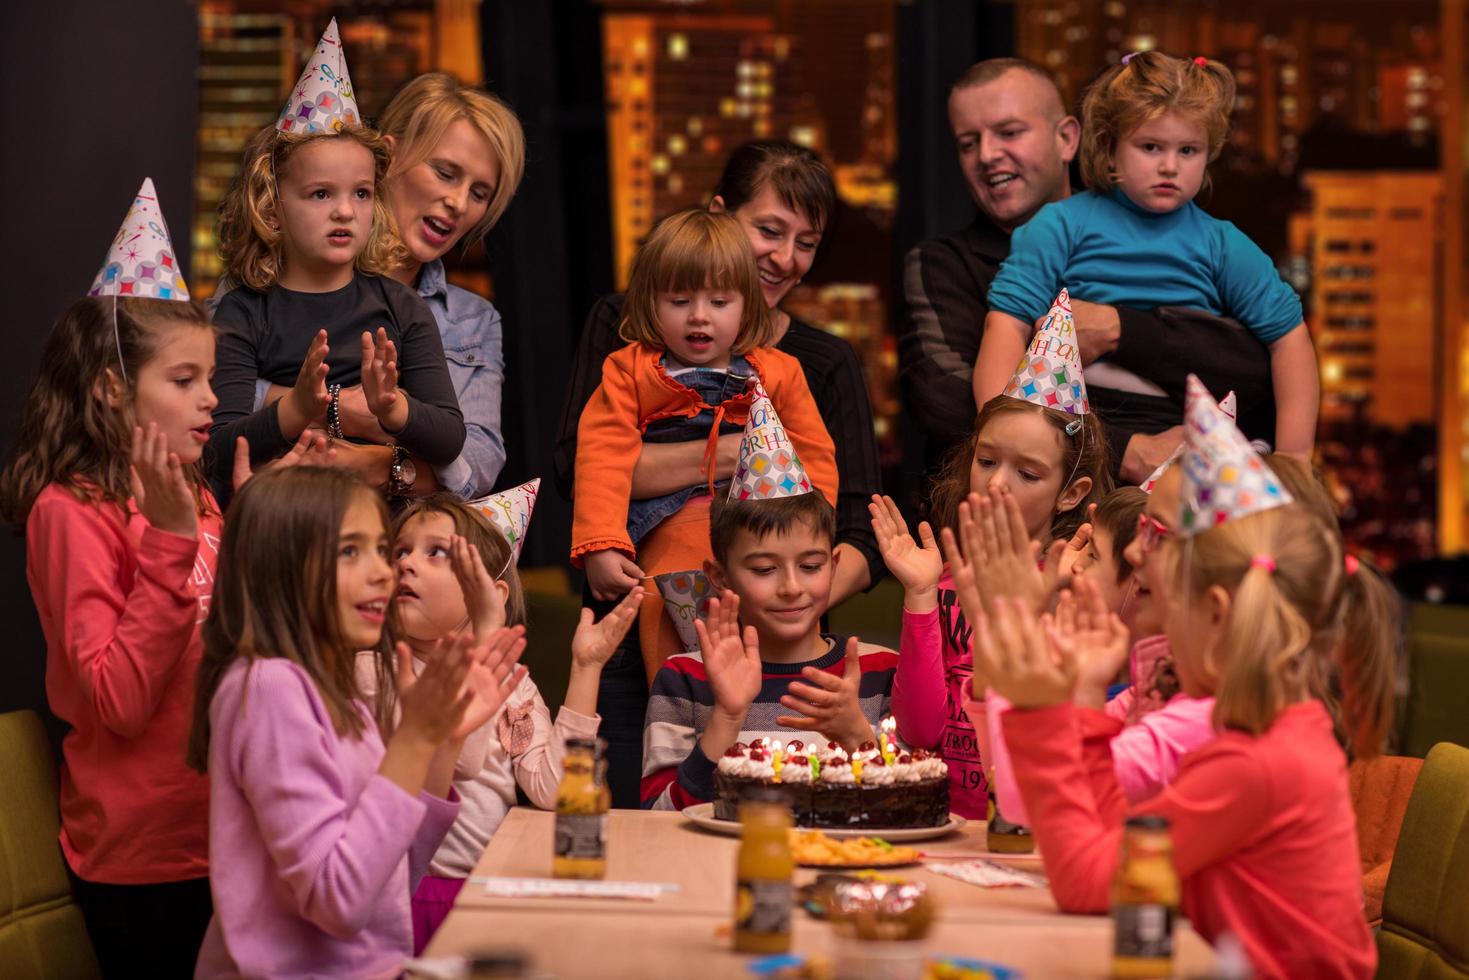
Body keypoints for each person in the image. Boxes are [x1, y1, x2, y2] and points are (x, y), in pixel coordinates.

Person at [965, 379, 1381, 979]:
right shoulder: (1255, 726)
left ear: (1213, 608)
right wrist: (1081, 706)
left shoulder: (1257, 759)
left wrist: (1039, 708)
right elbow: (1116, 839)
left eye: (1156, 538)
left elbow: (1086, 880)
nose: (1135, 555)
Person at [556, 143, 881, 808]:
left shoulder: (788, 367)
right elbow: (593, 457)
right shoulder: (632, 352)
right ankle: (672, 715)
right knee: (660, 626)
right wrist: (600, 545)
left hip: (770, 591)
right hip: (656, 554)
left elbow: (831, 488)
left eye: (805, 242)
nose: (784, 257)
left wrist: (792, 552)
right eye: (768, 230)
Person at [0, 181, 222, 976]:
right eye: (185, 379)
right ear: (112, 387)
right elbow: (119, 703)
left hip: (229, 831)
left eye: (210, 378)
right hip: (145, 859)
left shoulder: (196, 494)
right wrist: (167, 542)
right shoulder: (71, 513)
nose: (211, 399)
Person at [187, 466, 526, 978]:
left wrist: (441, 740)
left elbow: (391, 875)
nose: (384, 573)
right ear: (282, 567)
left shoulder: (335, 685)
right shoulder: (269, 686)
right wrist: (412, 741)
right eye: (351, 551)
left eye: (379, 550)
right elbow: (338, 902)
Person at [899, 57, 1275, 481]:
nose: (986, 155)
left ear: (1068, 139)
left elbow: (1254, 371)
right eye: (968, 143)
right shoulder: (942, 264)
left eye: (1009, 132)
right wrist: (1122, 449)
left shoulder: (1168, 234)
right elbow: (948, 404)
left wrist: (1120, 329)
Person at [973, 51, 1317, 459]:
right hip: (1078, 420)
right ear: (1110, 147)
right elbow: (1007, 326)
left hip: (1186, 431)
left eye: (1188, 150)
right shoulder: (1060, 226)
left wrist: (1294, 461)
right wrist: (998, 441)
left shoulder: (1222, 243)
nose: (1170, 166)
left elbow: (1291, 339)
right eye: (1151, 147)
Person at [209, 23, 465, 503]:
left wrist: (392, 408)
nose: (346, 210)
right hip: (281, 522)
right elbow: (216, 453)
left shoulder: (402, 308)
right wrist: (299, 407)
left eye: (362, 193)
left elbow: (450, 437)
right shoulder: (242, 313)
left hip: (379, 527)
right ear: (271, 209)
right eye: (321, 193)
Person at [878, 295, 1110, 820]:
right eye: (986, 460)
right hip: (947, 824)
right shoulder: (943, 579)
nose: (997, 483)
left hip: (1035, 824)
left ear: (1070, 493)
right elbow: (919, 732)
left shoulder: (1075, 584)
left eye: (1028, 474)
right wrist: (918, 596)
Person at [384, 494, 642, 952]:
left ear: (492, 595)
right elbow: (457, 763)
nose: (406, 565)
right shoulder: (380, 672)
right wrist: (486, 639)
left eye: (436, 552)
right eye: (399, 551)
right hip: (411, 896)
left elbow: (555, 790)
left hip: (489, 888)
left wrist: (585, 669)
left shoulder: (514, 685)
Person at [249, 72, 525, 499]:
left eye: (479, 192)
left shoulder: (474, 320)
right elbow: (208, 400)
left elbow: (477, 468)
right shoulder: (274, 276)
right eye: (446, 173)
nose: (458, 202)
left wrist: (376, 463)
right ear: (387, 159)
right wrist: (351, 410)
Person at [640, 491, 897, 810]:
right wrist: (726, 717)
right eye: (764, 569)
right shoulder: (684, 678)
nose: (791, 587)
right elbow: (658, 818)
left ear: (833, 567)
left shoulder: (881, 672)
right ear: (720, 577)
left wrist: (858, 737)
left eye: (810, 565)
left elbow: (904, 810)